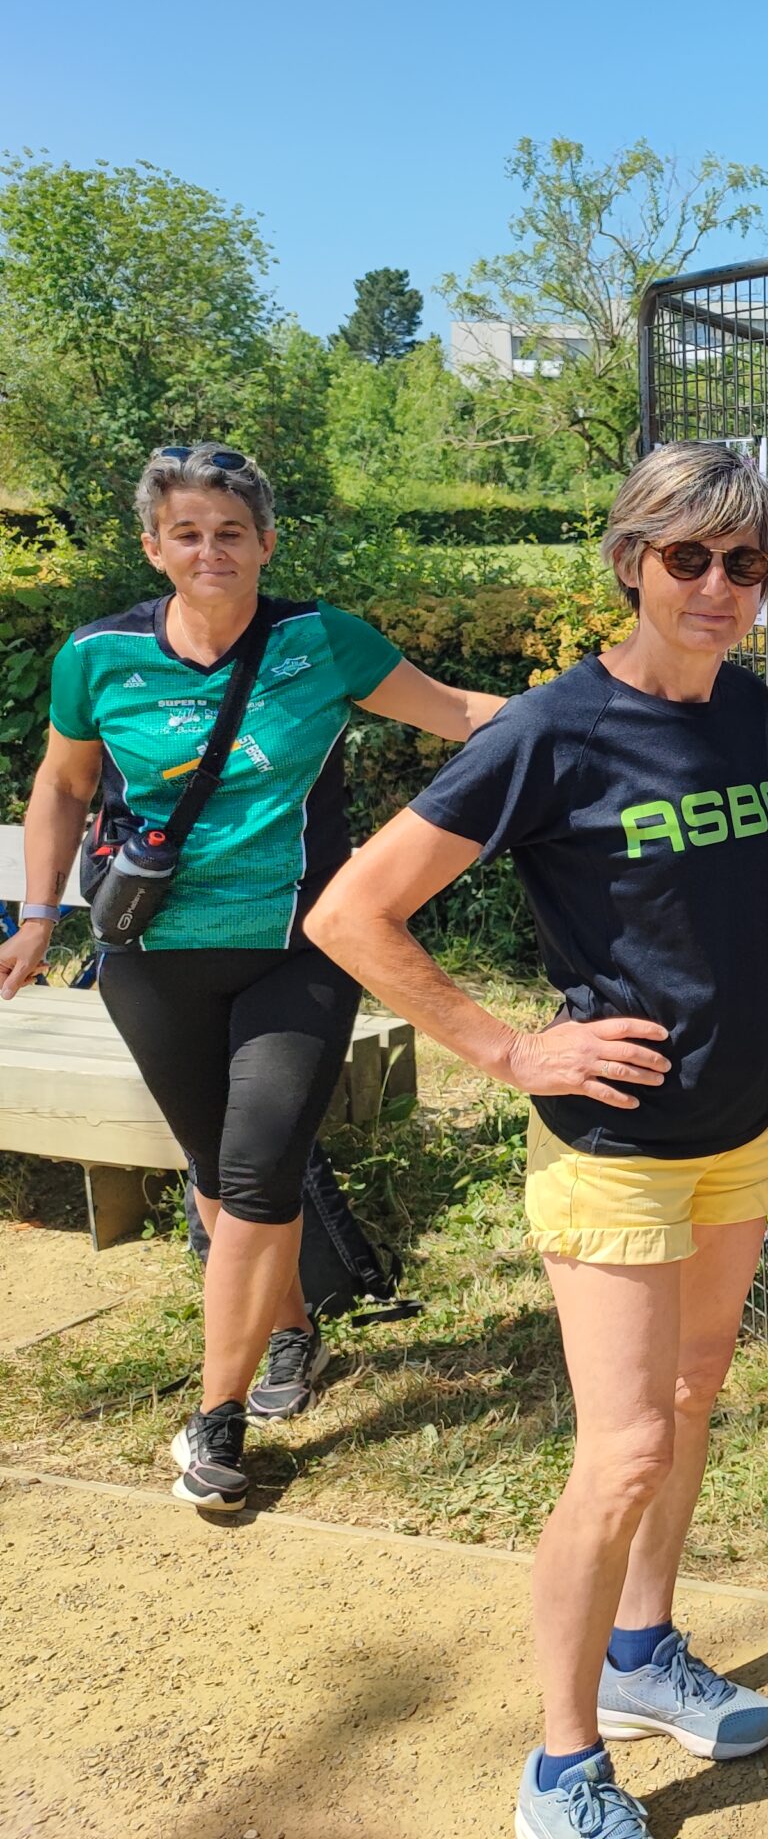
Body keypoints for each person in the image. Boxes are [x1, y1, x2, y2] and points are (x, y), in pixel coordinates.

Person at [305, 443, 768, 1839]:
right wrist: (512, 1049)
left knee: (693, 1403)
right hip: (613, 1145)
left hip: (738, 1129)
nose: (716, 586)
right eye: (688, 557)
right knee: (626, 1446)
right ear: (630, 562)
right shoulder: (548, 730)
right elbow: (352, 912)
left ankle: (644, 1658)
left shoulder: (745, 711)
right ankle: (561, 1764)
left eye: (744, 561)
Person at [0, 444, 502, 1504]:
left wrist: (621, 701)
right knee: (216, 1171)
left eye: (231, 532)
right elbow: (60, 784)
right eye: (187, 532)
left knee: (258, 1170)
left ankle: (213, 1421)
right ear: (154, 546)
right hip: (151, 959)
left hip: (302, 949)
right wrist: (39, 915)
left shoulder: (321, 645)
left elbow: (461, 715)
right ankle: (296, 1333)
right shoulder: (99, 657)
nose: (210, 550)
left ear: (266, 543)